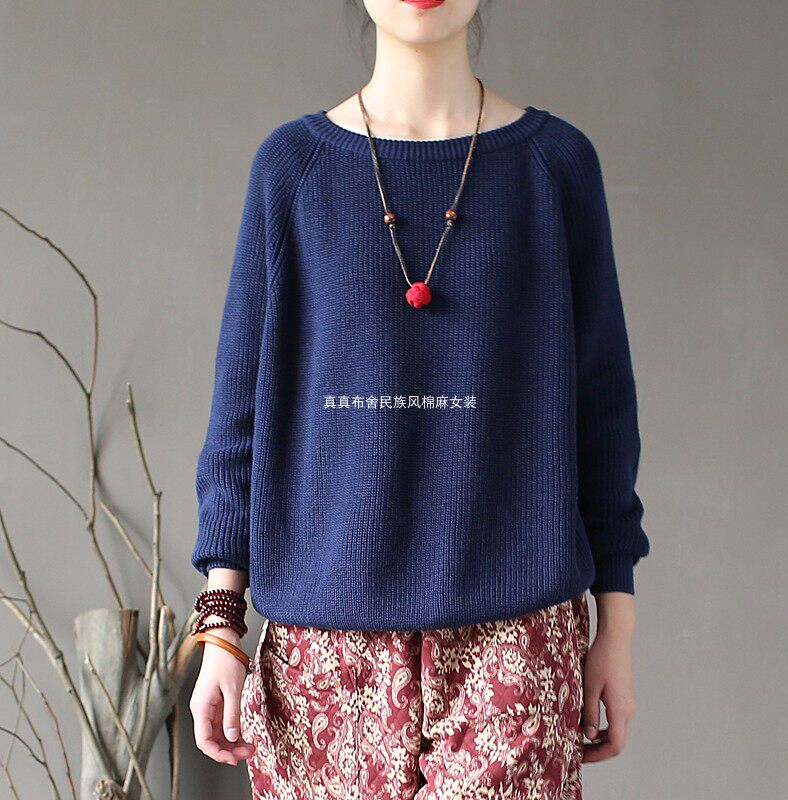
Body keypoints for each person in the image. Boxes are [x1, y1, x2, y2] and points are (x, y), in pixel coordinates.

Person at [188, 1, 649, 797]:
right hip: (321, 660)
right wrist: (221, 629)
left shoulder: (555, 166)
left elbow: (601, 411)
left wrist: (618, 626)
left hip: (518, 647)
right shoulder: (292, 168)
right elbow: (242, 417)